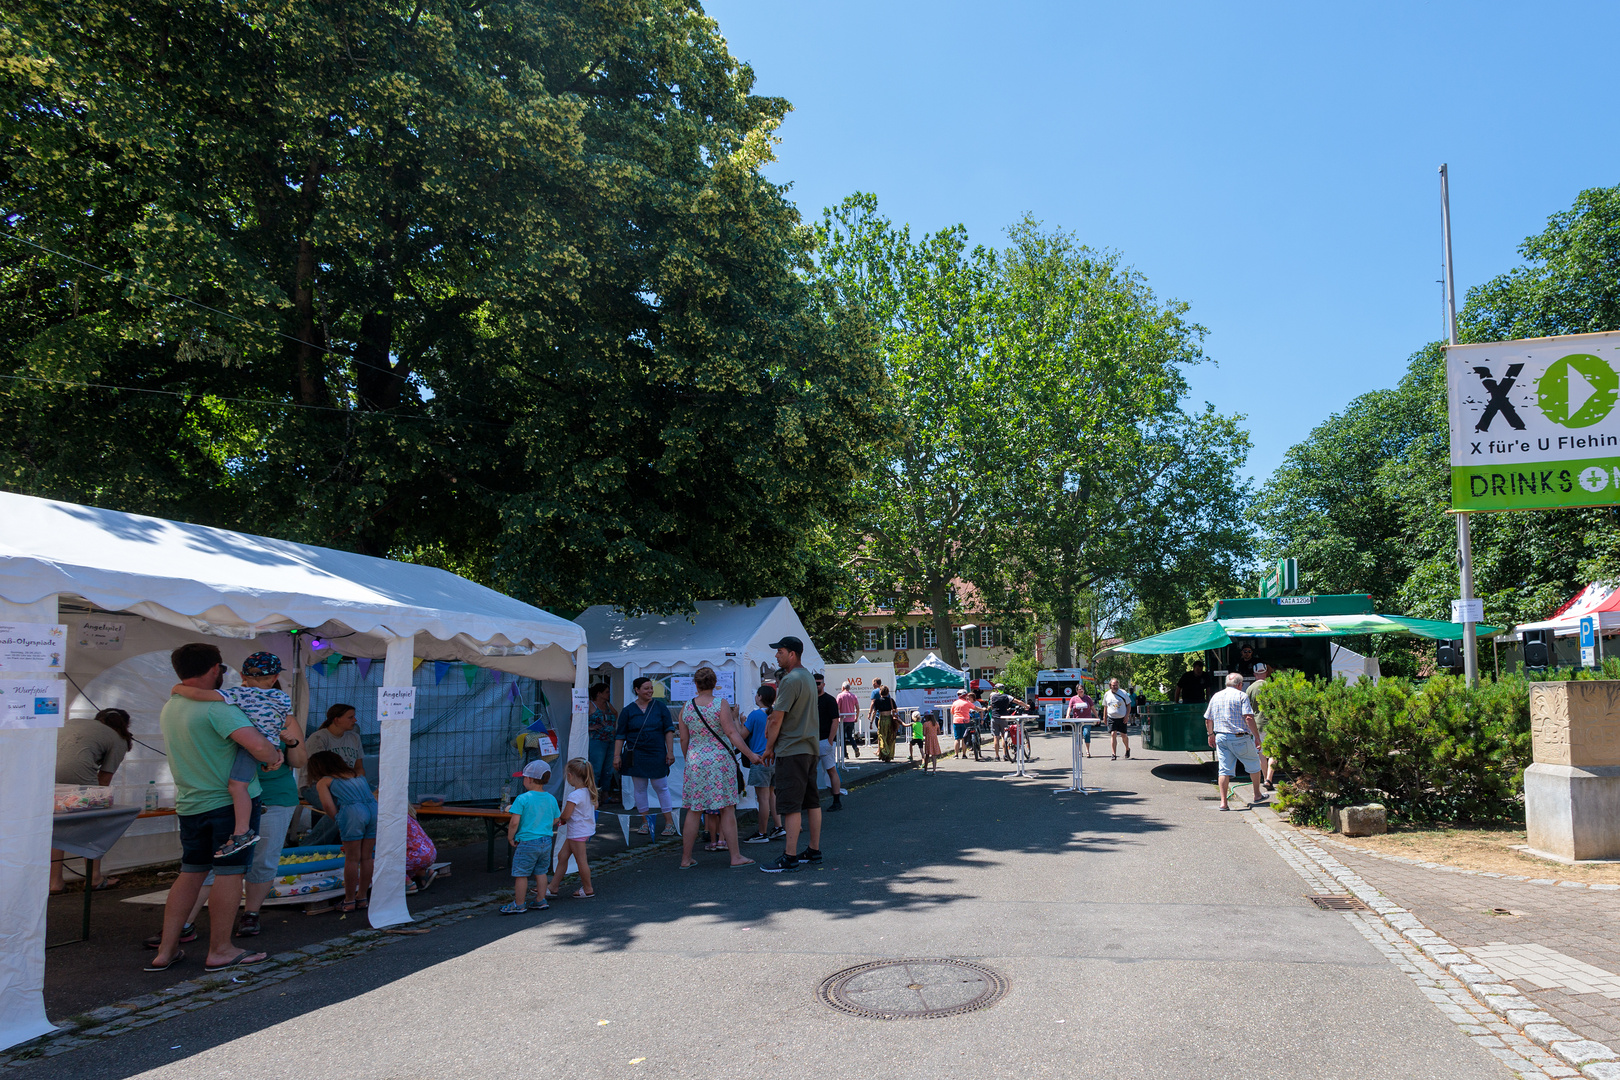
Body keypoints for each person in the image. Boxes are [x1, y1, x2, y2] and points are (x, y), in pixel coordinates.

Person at [146, 643, 282, 974]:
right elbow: (259, 746)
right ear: (213, 669)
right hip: (228, 805)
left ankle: (166, 950)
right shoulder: (219, 709)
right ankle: (220, 949)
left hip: (191, 803)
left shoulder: (172, 705)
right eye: (221, 669)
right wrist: (275, 757)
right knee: (229, 873)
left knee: (191, 872)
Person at [169, 651, 291, 858]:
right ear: (275, 677)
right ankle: (243, 830)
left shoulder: (240, 695)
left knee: (237, 785)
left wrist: (178, 688)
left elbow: (199, 695)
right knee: (240, 784)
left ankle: (242, 831)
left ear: (243, 676)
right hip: (269, 742)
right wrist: (275, 752)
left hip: (250, 748)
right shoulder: (282, 697)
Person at [238, 700, 308, 937]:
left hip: (274, 797)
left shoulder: (286, 719)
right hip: (232, 795)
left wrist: (292, 743)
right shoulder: (231, 712)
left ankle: (251, 914)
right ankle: (199, 918)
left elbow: (299, 761)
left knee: (264, 857)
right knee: (226, 861)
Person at [676, 666, 754, 869]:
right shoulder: (720, 704)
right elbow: (732, 733)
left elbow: (684, 738)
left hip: (695, 761)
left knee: (694, 810)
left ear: (696, 684)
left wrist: (690, 758)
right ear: (714, 683)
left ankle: (686, 858)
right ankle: (735, 856)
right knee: (727, 809)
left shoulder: (687, 707)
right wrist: (751, 755)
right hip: (720, 761)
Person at [52, 707, 132, 892]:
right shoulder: (117, 738)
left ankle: (54, 882)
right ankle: (94, 878)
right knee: (95, 825)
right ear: (124, 725)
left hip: (47, 773)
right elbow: (104, 780)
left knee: (56, 827)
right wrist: (94, 804)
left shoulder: (74, 722)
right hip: (78, 774)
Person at [760, 636, 821, 874]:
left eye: (780, 651)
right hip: (809, 748)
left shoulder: (789, 680)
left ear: (792, 654)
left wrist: (768, 748)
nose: (777, 655)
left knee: (790, 806)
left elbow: (777, 718)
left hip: (792, 750)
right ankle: (814, 850)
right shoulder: (808, 676)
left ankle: (790, 856)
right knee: (812, 802)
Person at [307, 750, 376, 912]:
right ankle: (363, 897)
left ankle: (349, 900)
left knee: (352, 859)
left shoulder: (325, 781)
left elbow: (327, 805)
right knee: (367, 856)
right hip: (373, 809)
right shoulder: (357, 775)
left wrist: (337, 819)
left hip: (352, 812)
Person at [614, 677, 676, 838]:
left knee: (661, 786)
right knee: (639, 788)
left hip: (656, 751)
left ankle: (669, 822)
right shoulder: (628, 710)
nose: (650, 691)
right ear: (637, 690)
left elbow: (668, 730)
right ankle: (645, 821)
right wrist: (616, 756)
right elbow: (620, 735)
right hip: (637, 753)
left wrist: (670, 751)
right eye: (646, 688)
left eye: (651, 688)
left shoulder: (660, 707)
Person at [501, 760, 558, 914]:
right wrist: (544, 826)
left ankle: (519, 904)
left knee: (521, 874)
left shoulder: (522, 798)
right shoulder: (551, 798)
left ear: (530, 779)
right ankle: (540, 899)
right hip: (546, 841)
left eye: (524, 777)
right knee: (541, 871)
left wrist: (510, 837)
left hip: (527, 841)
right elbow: (556, 818)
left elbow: (514, 822)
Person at [1205, 672, 1264, 810]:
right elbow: (1248, 718)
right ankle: (1257, 794)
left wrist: (1210, 734)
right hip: (1239, 737)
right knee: (1254, 764)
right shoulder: (1241, 696)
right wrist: (1256, 736)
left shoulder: (1216, 696)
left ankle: (1224, 803)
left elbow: (1208, 719)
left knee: (1224, 770)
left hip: (1221, 737)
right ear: (1240, 684)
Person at [549, 758, 598, 898]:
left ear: (570, 775)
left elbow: (566, 814)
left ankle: (588, 888)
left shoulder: (574, 795)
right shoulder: (589, 791)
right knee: (562, 856)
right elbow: (595, 806)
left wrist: (561, 820)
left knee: (581, 860)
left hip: (577, 832)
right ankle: (553, 886)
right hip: (581, 830)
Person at [741, 686, 782, 843]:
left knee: (762, 798)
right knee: (772, 794)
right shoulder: (775, 714)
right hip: (775, 758)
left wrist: (739, 721)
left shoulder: (755, 715)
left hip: (760, 758)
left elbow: (741, 735)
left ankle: (762, 832)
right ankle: (778, 827)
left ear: (759, 697)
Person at [814, 673, 845, 812]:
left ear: (823, 684)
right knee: (809, 772)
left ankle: (837, 800)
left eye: (818, 683)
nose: (816, 685)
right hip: (812, 741)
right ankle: (811, 801)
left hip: (824, 740)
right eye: (814, 683)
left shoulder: (830, 700)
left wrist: (830, 740)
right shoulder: (810, 700)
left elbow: (835, 720)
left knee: (831, 770)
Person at [587, 683, 619, 808]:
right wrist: (590, 727)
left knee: (608, 769)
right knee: (596, 769)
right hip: (597, 740)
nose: (609, 694)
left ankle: (605, 794)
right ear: (598, 693)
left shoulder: (607, 704)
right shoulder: (590, 704)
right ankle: (593, 796)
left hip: (610, 740)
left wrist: (611, 727)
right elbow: (575, 718)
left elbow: (615, 714)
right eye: (606, 692)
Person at [1248, 663, 1276, 791]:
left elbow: (1247, 709)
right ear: (1265, 673)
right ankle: (1269, 779)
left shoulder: (1250, 689)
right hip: (1272, 723)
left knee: (1261, 753)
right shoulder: (1272, 687)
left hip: (1257, 724)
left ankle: (1265, 779)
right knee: (1274, 753)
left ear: (1254, 674)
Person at [988, 684, 1028, 762]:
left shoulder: (992, 697)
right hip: (1004, 717)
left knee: (996, 737)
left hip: (994, 717)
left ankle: (996, 756)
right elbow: (1017, 701)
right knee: (1003, 736)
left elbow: (991, 706)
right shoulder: (1007, 696)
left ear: (996, 689)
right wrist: (1026, 705)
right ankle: (1005, 754)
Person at [1102, 678, 1132, 759]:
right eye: (1113, 685)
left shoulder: (1123, 693)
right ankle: (1113, 754)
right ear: (1110, 686)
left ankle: (1127, 749)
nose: (1115, 687)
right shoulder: (1107, 694)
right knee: (1113, 734)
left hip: (1122, 718)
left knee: (1124, 735)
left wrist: (1127, 716)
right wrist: (1104, 717)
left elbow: (1129, 705)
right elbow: (1105, 706)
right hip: (1112, 718)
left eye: (1116, 685)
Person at [870, 683, 899, 762]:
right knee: (890, 737)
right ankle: (888, 755)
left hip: (882, 719)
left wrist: (871, 722)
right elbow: (896, 710)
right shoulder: (891, 700)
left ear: (880, 692)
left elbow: (874, 712)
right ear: (888, 692)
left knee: (882, 736)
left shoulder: (877, 701)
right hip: (889, 719)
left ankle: (884, 752)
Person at [1066, 686, 1096, 758]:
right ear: (1077, 691)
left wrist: (1097, 717)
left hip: (1087, 720)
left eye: (1082, 689)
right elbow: (1069, 708)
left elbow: (1092, 708)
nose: (1081, 690)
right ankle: (1080, 751)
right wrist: (1068, 715)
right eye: (1079, 689)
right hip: (1077, 720)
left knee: (1086, 734)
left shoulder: (1088, 698)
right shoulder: (1073, 699)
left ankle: (1087, 751)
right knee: (1078, 735)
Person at [836, 680, 861, 758]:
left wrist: (837, 718)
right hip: (851, 719)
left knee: (842, 737)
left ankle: (845, 754)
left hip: (843, 720)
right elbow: (857, 707)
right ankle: (855, 747)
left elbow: (837, 708)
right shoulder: (853, 696)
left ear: (843, 687)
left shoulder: (840, 696)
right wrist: (856, 717)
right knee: (850, 736)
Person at [950, 690, 973, 759]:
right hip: (965, 721)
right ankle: (964, 754)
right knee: (964, 739)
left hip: (956, 721)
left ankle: (956, 754)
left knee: (957, 739)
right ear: (965, 695)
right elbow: (975, 708)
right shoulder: (967, 703)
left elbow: (952, 712)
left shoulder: (955, 703)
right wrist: (983, 709)